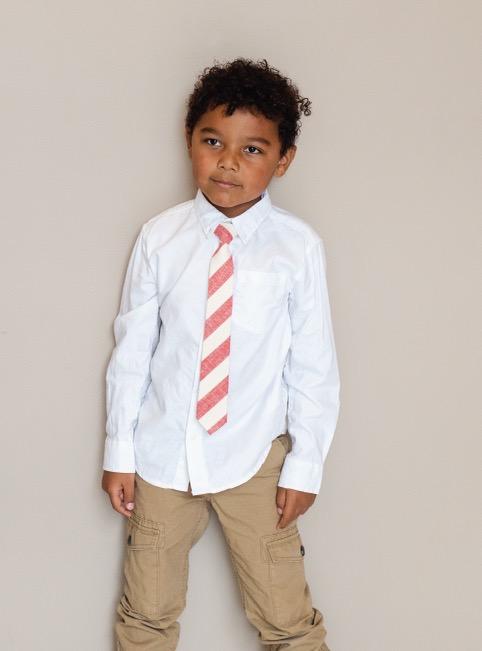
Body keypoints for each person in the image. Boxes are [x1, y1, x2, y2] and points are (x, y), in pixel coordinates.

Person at [101, 57, 341, 650]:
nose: (229, 161)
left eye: (253, 149)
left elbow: (313, 365)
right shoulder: (161, 238)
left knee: (286, 612)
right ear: (191, 142)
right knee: (147, 611)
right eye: (213, 141)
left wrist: (306, 464)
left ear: (283, 160)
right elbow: (133, 350)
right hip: (162, 454)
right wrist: (120, 451)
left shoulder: (297, 248)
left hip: (254, 456)